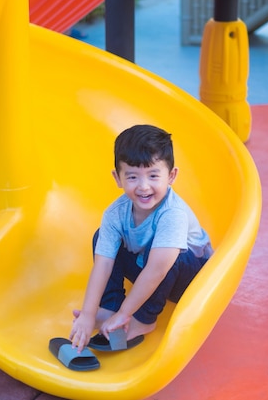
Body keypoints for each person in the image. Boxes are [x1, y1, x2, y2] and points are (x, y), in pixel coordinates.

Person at [69, 124, 213, 353]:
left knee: (172, 257)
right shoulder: (115, 213)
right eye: (133, 177)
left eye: (154, 175)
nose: (144, 187)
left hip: (189, 278)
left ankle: (143, 319)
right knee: (102, 239)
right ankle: (109, 307)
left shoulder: (172, 213)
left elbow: (157, 269)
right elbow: (104, 264)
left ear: (171, 175)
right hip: (148, 265)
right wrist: (88, 314)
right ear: (118, 178)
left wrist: (127, 315)